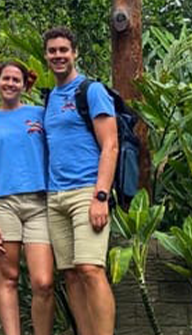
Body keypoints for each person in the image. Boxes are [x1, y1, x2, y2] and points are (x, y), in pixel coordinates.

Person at [41, 27, 118, 335]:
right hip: (56, 195)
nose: (58, 56)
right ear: (46, 56)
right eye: (52, 51)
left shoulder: (91, 90)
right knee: (71, 274)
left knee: (90, 269)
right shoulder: (50, 99)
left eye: (63, 50)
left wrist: (101, 196)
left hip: (87, 191)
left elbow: (110, 145)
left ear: (75, 53)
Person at [0, 61, 55, 335]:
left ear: (25, 84)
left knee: (43, 282)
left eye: (16, 80)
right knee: (9, 278)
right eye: (5, 78)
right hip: (2, 205)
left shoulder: (39, 115)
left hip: (38, 204)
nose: (10, 83)